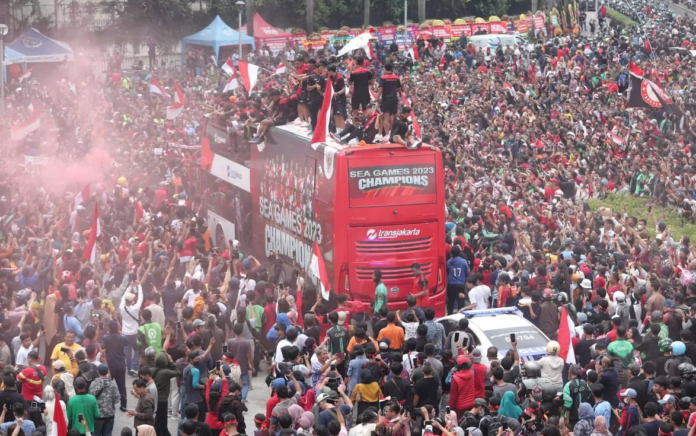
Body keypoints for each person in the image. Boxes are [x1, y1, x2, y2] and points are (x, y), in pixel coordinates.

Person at [100, 320, 128, 412]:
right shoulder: (122, 338)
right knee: (122, 386)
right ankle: (123, 405)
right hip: (120, 365)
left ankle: (107, 404)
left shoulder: (106, 337)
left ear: (109, 328)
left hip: (110, 366)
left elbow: (103, 347)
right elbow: (126, 343)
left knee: (107, 386)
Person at [120, 284, 144, 376]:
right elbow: (141, 297)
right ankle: (134, 367)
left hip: (125, 332)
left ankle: (129, 369)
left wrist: (129, 287)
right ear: (133, 301)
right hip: (134, 332)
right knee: (138, 349)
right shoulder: (135, 308)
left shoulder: (122, 307)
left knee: (127, 351)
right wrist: (139, 286)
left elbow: (123, 297)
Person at [90, 364, 119, 436]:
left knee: (96, 434)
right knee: (108, 434)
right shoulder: (113, 384)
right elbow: (117, 399)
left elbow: (90, 399)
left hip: (97, 415)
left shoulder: (94, 384)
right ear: (107, 372)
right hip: (110, 414)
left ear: (97, 372)